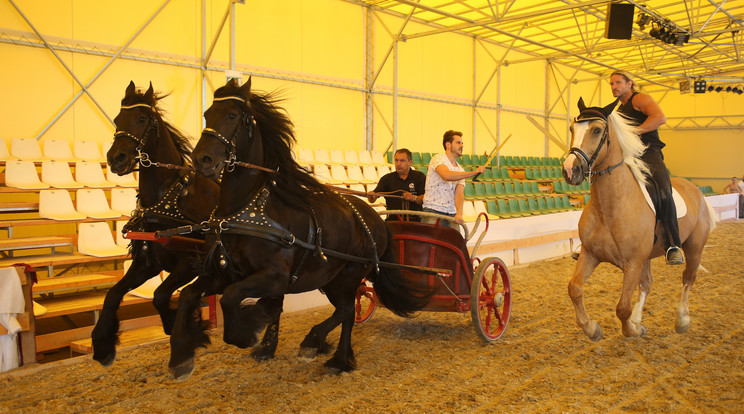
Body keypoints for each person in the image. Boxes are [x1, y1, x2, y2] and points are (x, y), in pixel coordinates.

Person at [610, 70, 684, 265]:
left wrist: (635, 131)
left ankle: (673, 245)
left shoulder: (640, 99)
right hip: (630, 156)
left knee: (664, 190)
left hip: (649, 153)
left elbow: (660, 118)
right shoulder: (618, 112)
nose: (614, 86)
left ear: (629, 84)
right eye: (611, 84)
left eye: (618, 82)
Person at [421, 130, 486, 227]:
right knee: (430, 242)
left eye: (462, 143)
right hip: (433, 211)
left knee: (455, 242)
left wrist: (459, 213)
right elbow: (446, 175)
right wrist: (474, 172)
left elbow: (459, 193)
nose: (462, 145)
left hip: (452, 214)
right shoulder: (438, 158)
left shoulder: (460, 170)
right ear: (448, 145)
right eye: (458, 143)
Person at [368, 148, 426, 221]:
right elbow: (373, 199)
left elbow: (426, 199)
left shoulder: (419, 177)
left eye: (402, 161)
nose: (398, 164)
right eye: (396, 160)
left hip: (415, 221)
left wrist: (414, 198)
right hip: (393, 221)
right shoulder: (386, 179)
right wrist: (371, 196)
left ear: (410, 162)